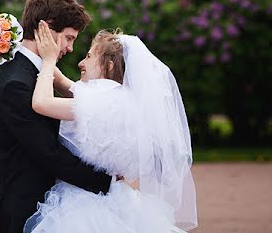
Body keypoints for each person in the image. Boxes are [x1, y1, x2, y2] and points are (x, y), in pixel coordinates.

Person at [25, 23, 198, 232]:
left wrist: (49, 59)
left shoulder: (104, 102)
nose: (81, 62)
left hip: (85, 203)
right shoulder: (120, 99)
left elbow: (41, 103)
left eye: (89, 57)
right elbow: (64, 83)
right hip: (112, 196)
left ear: (108, 66)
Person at [0, 0, 112, 233]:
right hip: (16, 217)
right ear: (46, 28)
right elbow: (48, 153)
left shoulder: (35, 74)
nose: (70, 48)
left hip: (36, 210)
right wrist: (109, 183)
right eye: (69, 38)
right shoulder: (17, 83)